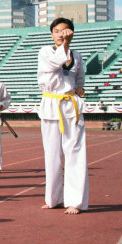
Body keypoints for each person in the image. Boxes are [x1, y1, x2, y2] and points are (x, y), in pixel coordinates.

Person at [38, 17, 88, 215]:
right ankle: (54, 199)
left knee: (75, 153)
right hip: (51, 105)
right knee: (52, 155)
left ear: (72, 32)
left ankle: (75, 201)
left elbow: (80, 78)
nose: (61, 34)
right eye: (57, 31)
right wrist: (65, 45)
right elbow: (53, 65)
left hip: (71, 106)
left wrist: (80, 88)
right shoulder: (45, 52)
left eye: (65, 30)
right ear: (52, 34)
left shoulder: (77, 55)